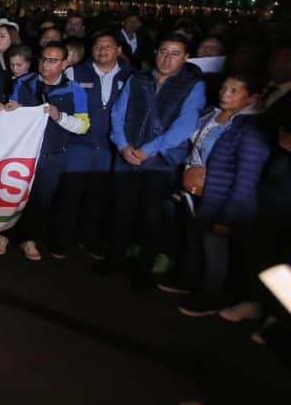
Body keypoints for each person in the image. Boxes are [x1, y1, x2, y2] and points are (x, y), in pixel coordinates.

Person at [162, 74, 269, 318]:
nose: (225, 93)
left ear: (252, 98)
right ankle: (191, 279)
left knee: (215, 248)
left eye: (234, 90)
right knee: (195, 240)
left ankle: (211, 294)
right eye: (224, 88)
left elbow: (247, 179)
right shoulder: (211, 113)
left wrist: (229, 216)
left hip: (221, 198)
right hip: (196, 191)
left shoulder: (251, 130)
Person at [105, 34, 206, 286]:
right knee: (121, 210)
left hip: (159, 162)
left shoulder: (192, 84)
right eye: (163, 51)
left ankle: (143, 268)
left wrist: (149, 150)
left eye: (175, 53)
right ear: (155, 52)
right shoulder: (138, 78)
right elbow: (118, 113)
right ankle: (115, 258)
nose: (167, 58)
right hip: (127, 156)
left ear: (185, 57)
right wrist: (123, 145)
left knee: (152, 216)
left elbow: (186, 125)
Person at [0, 41, 90, 261]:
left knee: (41, 201)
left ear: (65, 63)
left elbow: (83, 126)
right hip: (22, 154)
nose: (46, 65)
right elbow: (11, 113)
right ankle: (3, 234)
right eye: (43, 59)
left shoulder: (75, 90)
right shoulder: (23, 82)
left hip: (52, 156)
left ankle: (30, 239)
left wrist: (59, 117)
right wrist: (7, 108)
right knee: (12, 196)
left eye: (53, 60)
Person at [53, 31, 131, 259]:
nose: (102, 50)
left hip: (109, 148)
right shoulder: (75, 71)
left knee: (97, 197)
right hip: (78, 144)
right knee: (70, 194)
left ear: (118, 50)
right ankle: (60, 241)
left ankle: (87, 239)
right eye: (98, 45)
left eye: (108, 46)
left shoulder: (131, 76)